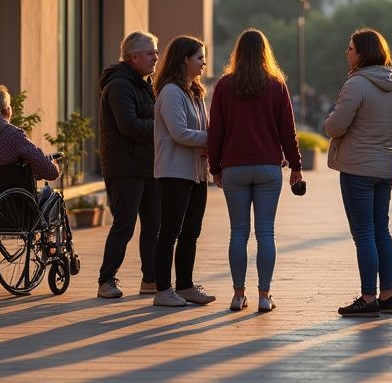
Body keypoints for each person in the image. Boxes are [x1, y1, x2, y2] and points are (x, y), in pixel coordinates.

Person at [208, 29, 303, 313]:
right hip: (267, 168)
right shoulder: (276, 85)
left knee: (238, 233)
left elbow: (216, 132)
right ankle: (264, 296)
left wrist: (215, 168)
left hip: (234, 168)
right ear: (265, 53)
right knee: (266, 233)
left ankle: (238, 295)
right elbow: (289, 130)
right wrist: (296, 166)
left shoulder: (224, 86)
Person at [324, 28, 392, 318]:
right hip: (385, 166)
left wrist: (329, 120)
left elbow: (335, 127)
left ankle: (368, 298)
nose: (347, 53)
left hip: (357, 168)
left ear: (362, 53)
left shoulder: (356, 85)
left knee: (364, 234)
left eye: (350, 48)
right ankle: (387, 295)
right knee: (381, 230)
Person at [97, 31, 162, 300]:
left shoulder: (145, 84)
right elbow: (130, 125)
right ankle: (106, 280)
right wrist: (162, 129)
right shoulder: (120, 85)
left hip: (148, 165)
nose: (156, 57)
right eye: (150, 52)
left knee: (153, 224)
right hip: (124, 167)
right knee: (124, 225)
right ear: (133, 57)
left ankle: (151, 279)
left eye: (156, 52)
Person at [152, 35, 216, 308]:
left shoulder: (195, 92)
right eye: (200, 57)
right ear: (184, 59)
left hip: (196, 172)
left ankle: (186, 286)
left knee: (192, 231)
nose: (204, 63)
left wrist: (209, 142)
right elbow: (179, 133)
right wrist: (213, 140)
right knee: (170, 232)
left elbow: (203, 129)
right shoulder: (170, 92)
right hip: (174, 172)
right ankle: (163, 290)